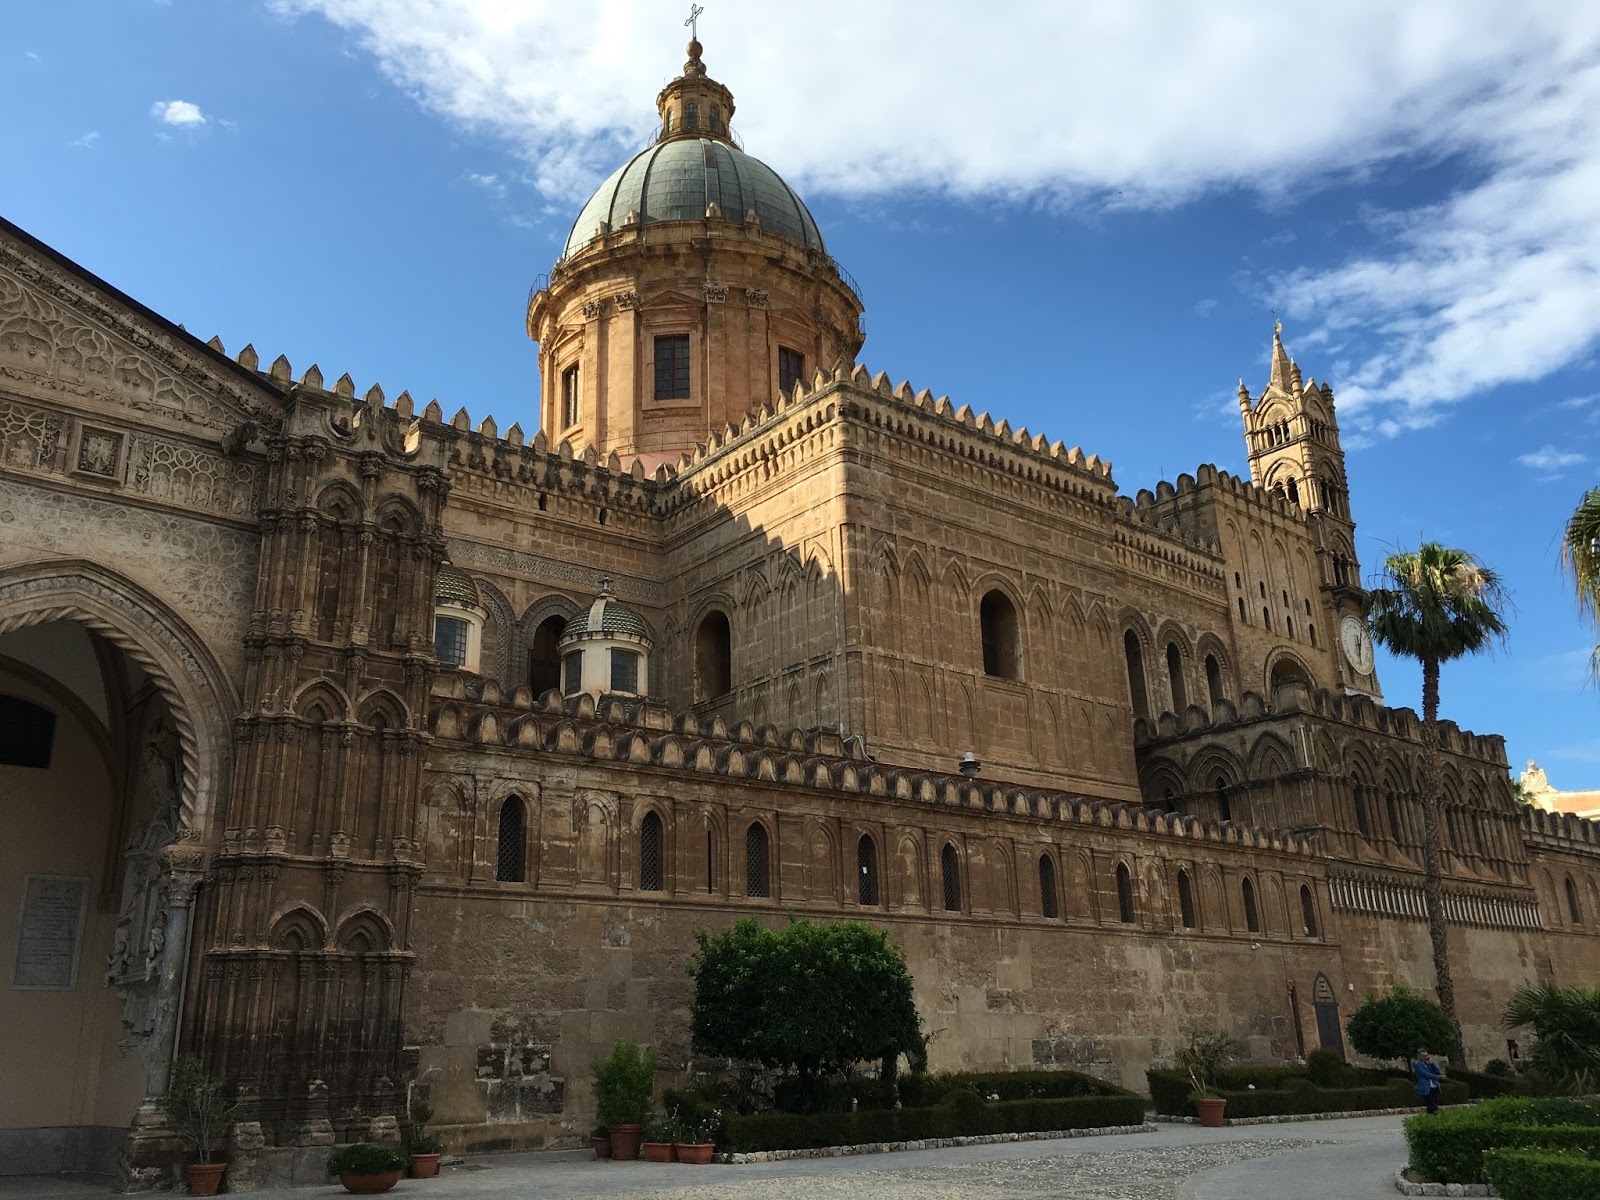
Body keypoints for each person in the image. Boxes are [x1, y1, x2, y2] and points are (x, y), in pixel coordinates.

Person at [1413, 1048, 1443, 1114]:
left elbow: (1437, 1072)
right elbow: (1424, 1073)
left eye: (1426, 1055)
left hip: (1434, 1086)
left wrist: (1431, 1063)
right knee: (1432, 1105)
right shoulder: (1417, 1064)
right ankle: (1436, 1116)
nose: (1426, 1057)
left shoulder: (1428, 1063)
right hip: (1426, 1087)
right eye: (1424, 1056)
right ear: (1419, 1056)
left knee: (1432, 1105)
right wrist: (1436, 1077)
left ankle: (1430, 1117)